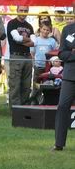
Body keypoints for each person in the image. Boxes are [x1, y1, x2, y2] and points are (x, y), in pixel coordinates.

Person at [53, 19, 75, 151]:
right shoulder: (68, 29)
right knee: (62, 106)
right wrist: (73, 54)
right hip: (70, 76)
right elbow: (62, 53)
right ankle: (59, 144)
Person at [7, 6, 34, 106]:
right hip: (16, 56)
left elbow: (34, 42)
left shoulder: (29, 26)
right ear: (17, 10)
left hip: (27, 56)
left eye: (25, 10)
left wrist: (21, 40)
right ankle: (15, 109)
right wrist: (27, 39)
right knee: (15, 84)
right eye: (21, 10)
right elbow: (16, 38)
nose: (23, 12)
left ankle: (24, 107)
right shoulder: (12, 23)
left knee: (27, 85)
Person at [30, 23, 58, 104]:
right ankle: (33, 102)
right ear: (40, 29)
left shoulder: (52, 41)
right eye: (44, 29)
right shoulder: (36, 40)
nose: (45, 31)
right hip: (38, 66)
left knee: (47, 85)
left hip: (48, 68)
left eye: (47, 30)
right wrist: (34, 63)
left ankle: (46, 102)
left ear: (50, 31)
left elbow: (55, 52)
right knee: (36, 85)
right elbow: (32, 53)